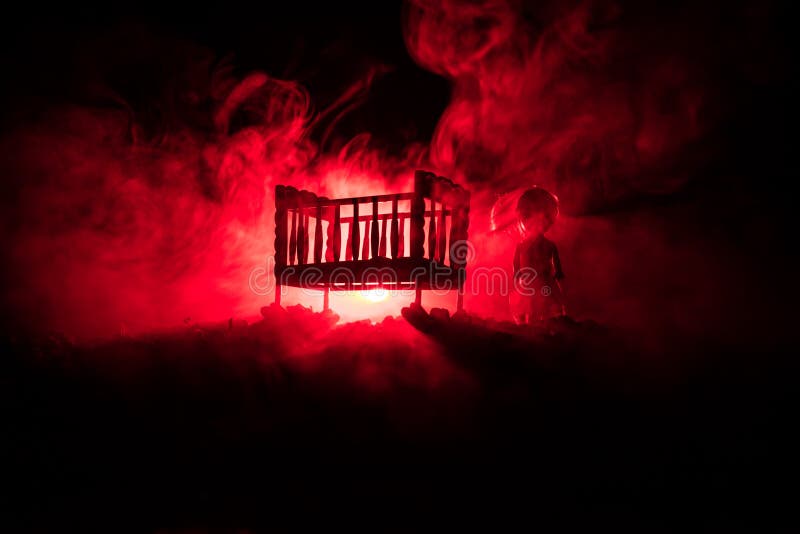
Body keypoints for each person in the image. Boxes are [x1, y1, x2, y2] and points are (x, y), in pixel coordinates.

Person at [510, 187, 566, 324]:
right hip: (534, 284)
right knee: (535, 313)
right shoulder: (527, 246)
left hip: (536, 283)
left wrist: (517, 278)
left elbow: (516, 268)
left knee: (541, 313)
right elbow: (516, 266)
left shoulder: (547, 246)